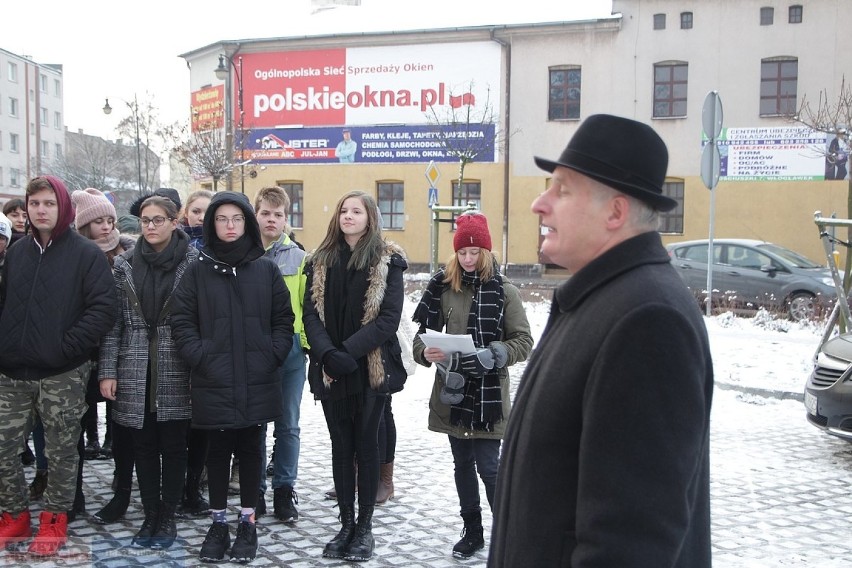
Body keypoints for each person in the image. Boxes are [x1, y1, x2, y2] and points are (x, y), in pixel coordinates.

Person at [487, 114, 714, 567]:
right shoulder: (605, 299)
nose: (539, 203)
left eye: (563, 189)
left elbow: (630, 542)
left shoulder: (647, 319)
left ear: (616, 212)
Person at [171, 191, 294, 563]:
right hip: (214, 377)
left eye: (236, 219)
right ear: (211, 224)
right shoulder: (196, 269)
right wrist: (200, 355)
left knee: (252, 451)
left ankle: (248, 523)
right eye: (222, 219)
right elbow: (182, 320)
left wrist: (271, 354)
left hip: (257, 377)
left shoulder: (266, 269)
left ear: (247, 223)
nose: (229, 226)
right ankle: (218, 522)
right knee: (217, 452)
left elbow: (282, 320)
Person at [0, 175, 117, 556]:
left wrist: (66, 348)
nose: (40, 210)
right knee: (4, 448)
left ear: (63, 206)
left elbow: (102, 309)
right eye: (34, 204)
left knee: (62, 450)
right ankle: (13, 515)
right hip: (13, 372)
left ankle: (54, 518)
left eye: (48, 203)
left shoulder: (85, 253)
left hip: (62, 372)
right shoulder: (17, 252)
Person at [411, 212, 533, 559]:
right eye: (462, 252)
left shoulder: (505, 290)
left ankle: (509, 534)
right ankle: (473, 532)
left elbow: (524, 341)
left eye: (474, 252)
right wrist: (426, 352)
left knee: (489, 467)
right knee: (462, 465)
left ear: (486, 252)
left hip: (489, 396)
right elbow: (421, 337)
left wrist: (493, 354)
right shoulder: (442, 286)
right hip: (453, 390)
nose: (467, 259)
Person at [303, 190, 407, 562]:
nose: (348, 216)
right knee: (340, 446)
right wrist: (328, 354)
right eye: (344, 210)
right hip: (332, 369)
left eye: (356, 211)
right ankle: (345, 523)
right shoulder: (319, 260)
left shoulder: (387, 260)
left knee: (366, 444)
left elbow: (388, 319)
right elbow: (310, 314)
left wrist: (347, 352)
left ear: (370, 217)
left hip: (369, 368)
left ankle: (364, 528)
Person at [98, 195, 197, 549]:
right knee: (142, 444)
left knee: (173, 444)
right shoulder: (124, 264)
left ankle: (167, 514)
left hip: (177, 362)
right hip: (135, 362)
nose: (150, 226)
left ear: (174, 221)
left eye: (158, 220)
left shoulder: (194, 261)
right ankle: (150, 513)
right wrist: (108, 371)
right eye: (145, 220)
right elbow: (112, 326)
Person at [254, 186, 308, 523]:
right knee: (255, 425)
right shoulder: (243, 255)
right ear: (255, 214)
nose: (271, 220)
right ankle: (255, 490)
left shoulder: (299, 258)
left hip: (289, 349)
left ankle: (284, 490)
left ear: (286, 219)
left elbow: (309, 306)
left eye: (278, 215)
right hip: (253, 349)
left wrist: (306, 347)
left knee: (287, 425)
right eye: (265, 213)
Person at [175, 188, 213, 519]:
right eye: (196, 210)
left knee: (202, 424)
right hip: (176, 344)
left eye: (208, 211)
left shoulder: (221, 249)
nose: (202, 217)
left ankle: (193, 487)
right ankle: (174, 486)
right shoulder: (175, 247)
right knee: (176, 425)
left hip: (208, 346)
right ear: (186, 213)